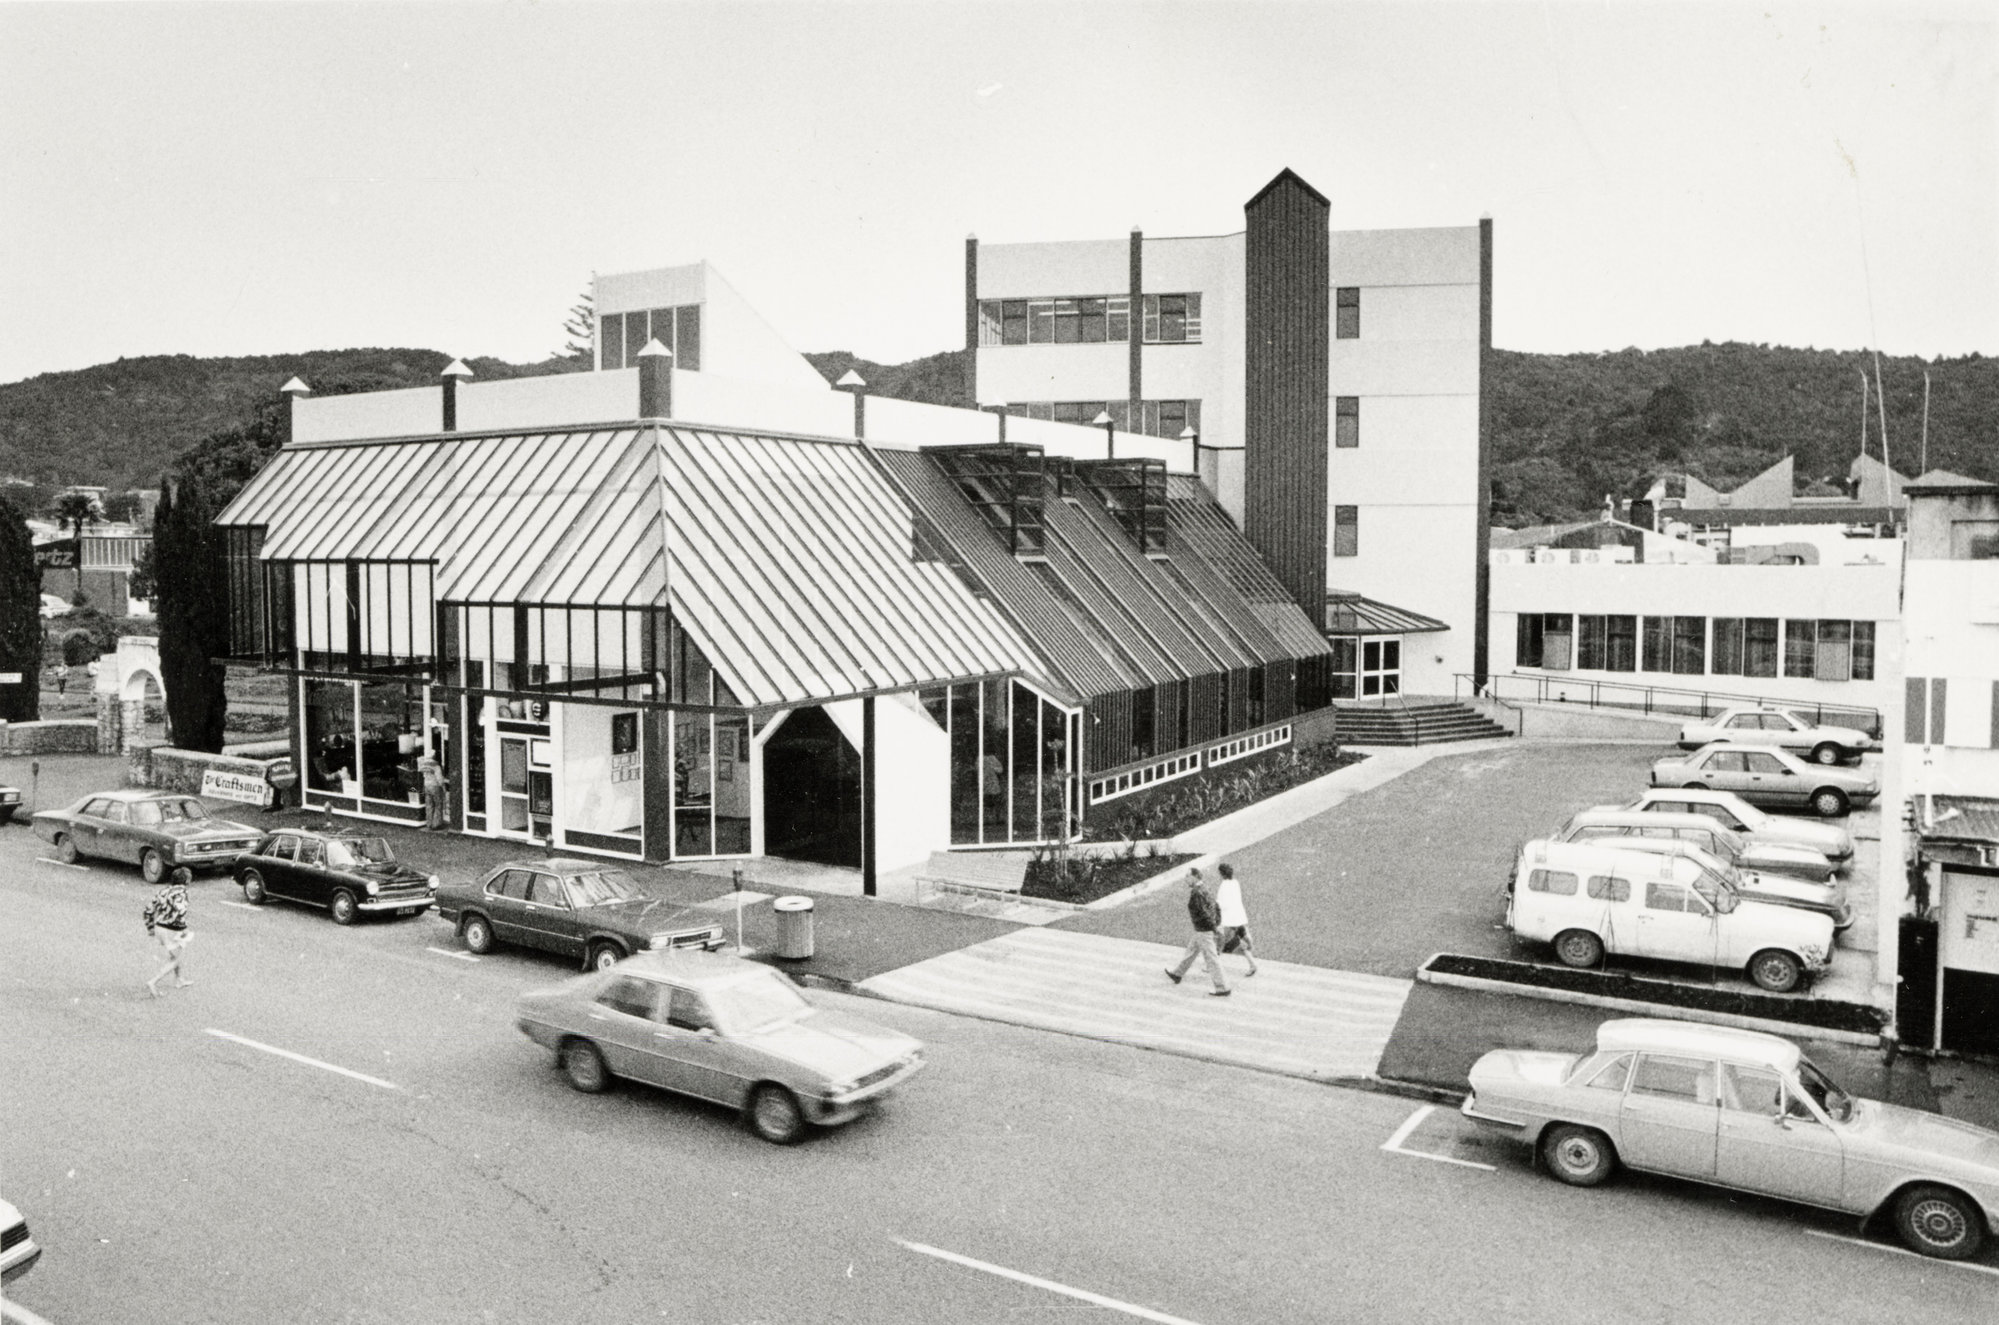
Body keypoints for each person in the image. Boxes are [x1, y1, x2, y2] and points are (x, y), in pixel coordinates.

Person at [1164, 867, 1231, 996]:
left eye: (1187, 876)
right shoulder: (1205, 888)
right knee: (1191, 951)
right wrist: (1217, 923)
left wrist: (1214, 927)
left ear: (1195, 877)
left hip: (1204, 929)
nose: (1185, 879)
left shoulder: (1196, 893)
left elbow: (1203, 913)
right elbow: (1216, 906)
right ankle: (1177, 973)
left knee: (1211, 958)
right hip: (1203, 928)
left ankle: (1222, 987)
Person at [144, 866, 194, 998]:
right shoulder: (182, 894)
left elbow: (148, 910)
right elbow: (180, 912)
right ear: (187, 880)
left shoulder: (164, 891)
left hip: (159, 927)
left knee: (176, 955)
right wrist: (184, 929)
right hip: (172, 930)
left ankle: (179, 979)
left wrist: (150, 928)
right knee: (176, 959)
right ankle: (153, 981)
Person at [1214, 862, 1258, 976]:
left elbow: (1220, 903)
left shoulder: (1224, 885)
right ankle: (1252, 963)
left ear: (1221, 874)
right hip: (1239, 917)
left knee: (1220, 941)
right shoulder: (1235, 882)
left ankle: (1213, 965)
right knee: (1239, 940)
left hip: (1229, 920)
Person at [417, 751, 447, 829]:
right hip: (435, 786)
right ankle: (436, 824)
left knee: (429, 805)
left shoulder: (424, 765)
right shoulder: (436, 766)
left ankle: (429, 823)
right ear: (434, 756)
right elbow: (439, 778)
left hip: (426, 785)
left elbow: (422, 774)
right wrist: (443, 787)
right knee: (438, 804)